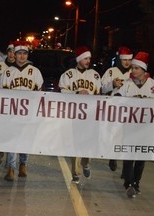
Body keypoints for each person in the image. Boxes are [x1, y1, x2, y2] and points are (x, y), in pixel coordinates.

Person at [114, 51, 154, 198]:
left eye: (136, 68)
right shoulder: (127, 85)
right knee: (129, 155)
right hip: (130, 127)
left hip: (146, 128)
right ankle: (128, 183)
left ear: (144, 69)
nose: (133, 70)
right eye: (132, 68)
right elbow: (116, 97)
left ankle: (136, 182)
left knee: (141, 157)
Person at [0, 41, 44, 181]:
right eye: (19, 53)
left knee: (25, 139)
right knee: (12, 139)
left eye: (25, 53)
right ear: (15, 55)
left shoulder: (35, 72)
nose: (22, 56)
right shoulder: (7, 72)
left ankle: (23, 164)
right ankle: (11, 168)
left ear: (27, 55)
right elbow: (2, 93)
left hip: (29, 113)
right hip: (12, 112)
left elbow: (40, 93)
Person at [58, 46, 101, 184]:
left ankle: (86, 162)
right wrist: (76, 93)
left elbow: (99, 95)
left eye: (89, 58)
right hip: (74, 115)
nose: (88, 60)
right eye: (85, 58)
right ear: (79, 59)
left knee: (88, 142)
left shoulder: (95, 75)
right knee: (75, 143)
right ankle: (75, 173)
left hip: (90, 115)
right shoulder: (69, 74)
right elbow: (62, 92)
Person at [101, 46, 133, 172]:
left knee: (126, 136)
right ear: (120, 60)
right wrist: (112, 85)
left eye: (129, 60)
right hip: (115, 107)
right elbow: (102, 89)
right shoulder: (111, 71)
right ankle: (113, 157)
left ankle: (126, 165)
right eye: (125, 60)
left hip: (129, 108)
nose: (127, 63)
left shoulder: (133, 72)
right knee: (115, 133)